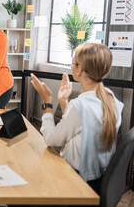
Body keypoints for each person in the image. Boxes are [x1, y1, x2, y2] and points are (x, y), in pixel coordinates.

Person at [31, 43, 124, 194]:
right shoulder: (110, 99)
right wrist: (63, 101)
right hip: (96, 183)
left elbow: (50, 139)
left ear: (79, 69)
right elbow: (81, 127)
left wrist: (47, 101)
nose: (71, 66)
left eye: (73, 63)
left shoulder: (80, 106)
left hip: (74, 182)